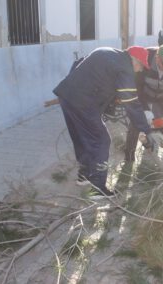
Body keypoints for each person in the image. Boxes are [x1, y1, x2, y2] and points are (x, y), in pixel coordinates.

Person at [53, 46, 155, 199]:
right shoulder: (125, 68)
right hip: (83, 103)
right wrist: (145, 130)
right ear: (134, 59)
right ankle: (97, 188)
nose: (139, 70)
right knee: (101, 140)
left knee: (82, 138)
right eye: (140, 66)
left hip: (67, 96)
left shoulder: (106, 51)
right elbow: (131, 103)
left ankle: (84, 176)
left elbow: (78, 64)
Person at [124, 43, 163, 164]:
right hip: (144, 95)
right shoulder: (144, 58)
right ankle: (129, 158)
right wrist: (145, 109)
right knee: (135, 123)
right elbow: (137, 88)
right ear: (157, 58)